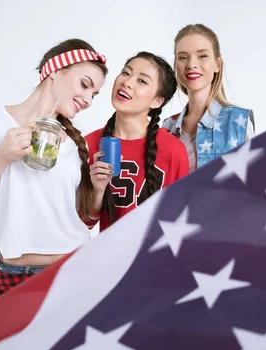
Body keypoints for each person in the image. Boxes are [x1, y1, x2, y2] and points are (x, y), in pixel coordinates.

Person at [0, 39, 108, 299]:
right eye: (85, 85)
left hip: (74, 269)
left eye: (94, 95)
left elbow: (82, 219)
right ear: (55, 70)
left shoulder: (75, 144)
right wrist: (0, 157)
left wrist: (97, 191)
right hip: (12, 276)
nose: (88, 99)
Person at [84, 51, 188, 231]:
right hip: (110, 257)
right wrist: (98, 190)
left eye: (142, 81)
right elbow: (85, 222)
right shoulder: (90, 144)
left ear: (157, 101)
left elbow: (181, 224)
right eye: (126, 72)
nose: (127, 82)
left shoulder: (173, 150)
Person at [163, 24, 256, 172]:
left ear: (217, 65)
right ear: (175, 66)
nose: (192, 64)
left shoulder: (238, 122)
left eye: (202, 56)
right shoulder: (167, 128)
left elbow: (258, 181)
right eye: (183, 57)